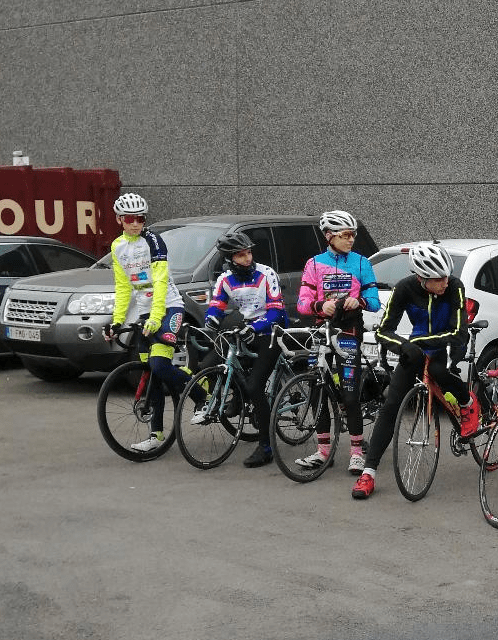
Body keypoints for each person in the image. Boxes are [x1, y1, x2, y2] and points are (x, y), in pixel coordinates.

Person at [350, 242, 480, 499]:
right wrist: (404, 346)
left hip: (448, 343)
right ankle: (368, 473)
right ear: (421, 278)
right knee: (391, 406)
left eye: (446, 276)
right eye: (438, 279)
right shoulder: (404, 288)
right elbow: (384, 330)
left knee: (441, 372)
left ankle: (467, 403)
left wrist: (419, 342)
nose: (445, 282)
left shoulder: (455, 286)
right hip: (417, 347)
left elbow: (458, 332)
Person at [103, 193, 200, 452]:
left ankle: (202, 393)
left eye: (141, 218)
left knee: (159, 365)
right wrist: (117, 322)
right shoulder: (117, 246)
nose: (136, 223)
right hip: (146, 312)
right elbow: (123, 287)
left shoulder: (154, 241)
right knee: (151, 373)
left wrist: (156, 318)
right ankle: (156, 435)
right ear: (119, 219)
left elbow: (160, 281)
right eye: (130, 219)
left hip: (169, 307)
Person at [295, 210, 381, 474]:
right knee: (317, 390)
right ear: (329, 236)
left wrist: (360, 300)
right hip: (321, 330)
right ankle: (323, 451)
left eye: (353, 234)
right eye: (345, 235)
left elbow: (375, 302)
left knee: (350, 392)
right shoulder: (314, 264)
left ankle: (356, 452)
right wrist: (320, 305)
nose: (351, 239)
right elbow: (302, 303)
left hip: (348, 331)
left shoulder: (361, 263)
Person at [200, 231, 288, 468]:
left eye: (248, 252)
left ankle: (266, 447)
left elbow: (276, 310)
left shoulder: (266, 273)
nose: (247, 258)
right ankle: (238, 396)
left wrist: (257, 327)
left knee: (255, 386)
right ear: (229, 259)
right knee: (211, 364)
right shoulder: (225, 279)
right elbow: (217, 305)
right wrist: (211, 319)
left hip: (271, 330)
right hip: (247, 328)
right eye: (241, 255)